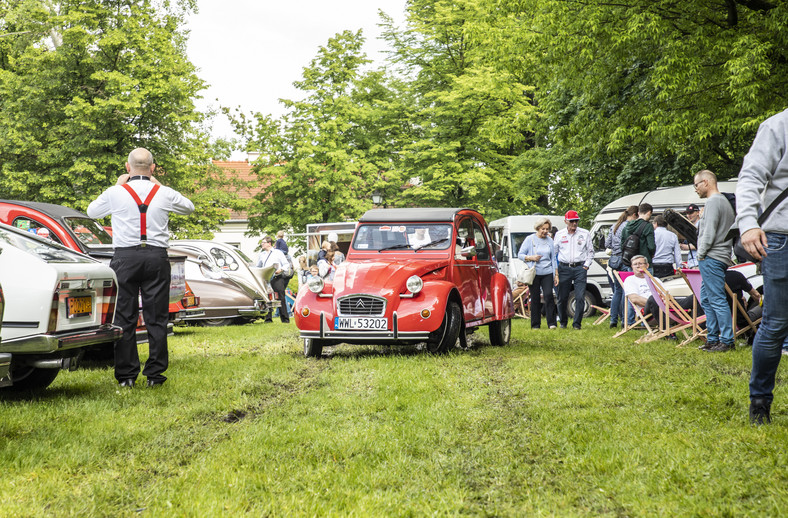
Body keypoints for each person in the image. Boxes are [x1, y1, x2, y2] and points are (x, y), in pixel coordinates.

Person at [87, 148, 194, 388]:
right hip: (156, 257)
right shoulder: (164, 192)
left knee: (125, 316)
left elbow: (91, 212)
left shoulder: (115, 192)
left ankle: (126, 376)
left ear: (128, 168)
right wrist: (159, 184)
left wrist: (116, 185)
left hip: (125, 258)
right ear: (153, 168)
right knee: (157, 318)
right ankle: (155, 376)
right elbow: (189, 207)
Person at [736, 108, 788, 424]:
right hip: (781, 237)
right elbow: (752, 176)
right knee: (777, 322)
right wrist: (747, 223)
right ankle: (760, 402)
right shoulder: (778, 125)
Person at [694, 169, 735, 353]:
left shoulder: (712, 202)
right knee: (706, 298)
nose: (695, 189)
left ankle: (726, 340)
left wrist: (700, 254)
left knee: (717, 299)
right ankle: (712, 338)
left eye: (696, 185)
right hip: (720, 256)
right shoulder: (725, 202)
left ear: (706, 182)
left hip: (711, 256)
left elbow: (709, 232)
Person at [553, 210, 594, 330]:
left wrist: (586, 265)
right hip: (564, 267)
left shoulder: (585, 233)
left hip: (580, 268)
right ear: (566, 221)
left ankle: (577, 324)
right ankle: (563, 322)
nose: (574, 224)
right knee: (562, 297)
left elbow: (590, 251)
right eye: (572, 221)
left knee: (580, 296)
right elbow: (554, 252)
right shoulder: (560, 234)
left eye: (576, 221)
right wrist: (555, 269)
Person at [517, 217, 557, 329]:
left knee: (549, 295)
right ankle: (535, 324)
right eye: (543, 229)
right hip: (534, 273)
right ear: (538, 228)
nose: (545, 231)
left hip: (547, 272)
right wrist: (530, 257)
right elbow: (520, 254)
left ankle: (552, 323)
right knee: (535, 298)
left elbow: (553, 258)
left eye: (547, 229)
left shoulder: (550, 241)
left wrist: (556, 274)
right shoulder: (530, 239)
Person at [605, 205, 639, 328]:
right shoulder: (629, 226)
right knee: (627, 291)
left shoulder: (614, 226)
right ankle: (625, 320)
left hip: (614, 261)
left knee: (617, 291)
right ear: (635, 215)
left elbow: (607, 243)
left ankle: (613, 319)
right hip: (625, 259)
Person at [257, 235, 292, 323]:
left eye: (263, 243)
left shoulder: (278, 253)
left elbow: (286, 264)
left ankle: (285, 319)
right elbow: (259, 266)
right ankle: (268, 318)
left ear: (269, 243)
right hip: (266, 279)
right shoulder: (262, 254)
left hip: (277, 277)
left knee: (281, 297)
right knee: (267, 298)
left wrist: (281, 270)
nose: (262, 244)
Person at [622, 255, 662, 321]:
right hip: (647, 310)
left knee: (685, 300)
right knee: (652, 298)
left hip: (663, 306)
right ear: (632, 267)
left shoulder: (655, 279)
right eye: (635, 264)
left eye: (640, 264)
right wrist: (657, 303)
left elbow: (666, 295)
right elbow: (634, 299)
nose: (638, 266)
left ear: (647, 265)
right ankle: (666, 326)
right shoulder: (630, 280)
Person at [621, 202, 655, 267]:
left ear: (638, 213)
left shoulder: (627, 225)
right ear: (649, 213)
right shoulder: (648, 226)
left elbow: (622, 244)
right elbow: (651, 246)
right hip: (644, 263)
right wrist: (652, 254)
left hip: (631, 262)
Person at [651, 215, 682, 279]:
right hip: (667, 265)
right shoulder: (673, 235)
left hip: (654, 264)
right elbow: (677, 254)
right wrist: (679, 267)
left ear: (656, 223)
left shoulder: (652, 234)